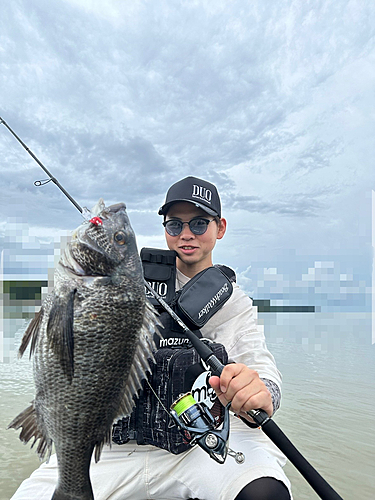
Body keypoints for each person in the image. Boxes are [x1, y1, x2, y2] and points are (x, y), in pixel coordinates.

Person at [11, 176, 292, 500]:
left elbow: (262, 366)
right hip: (108, 443)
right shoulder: (125, 280)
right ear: (165, 228)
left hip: (196, 443)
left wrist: (262, 391)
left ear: (220, 227)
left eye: (199, 223)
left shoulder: (233, 302)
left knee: (264, 492)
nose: (186, 233)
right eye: (175, 224)